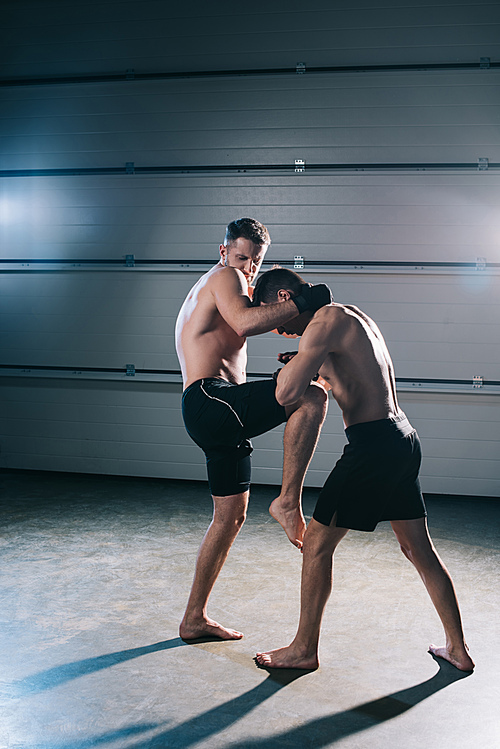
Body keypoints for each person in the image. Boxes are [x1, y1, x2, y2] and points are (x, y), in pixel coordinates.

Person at [253, 267, 474, 672]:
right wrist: (310, 362)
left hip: (373, 447)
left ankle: (303, 650)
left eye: (271, 317)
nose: (275, 329)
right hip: (402, 439)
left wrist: (297, 366)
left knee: (316, 545)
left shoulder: (323, 322)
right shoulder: (351, 316)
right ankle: (457, 649)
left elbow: (285, 393)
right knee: (417, 549)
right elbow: (355, 376)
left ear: (285, 297)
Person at [175, 219, 331, 641]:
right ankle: (287, 502)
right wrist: (304, 300)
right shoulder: (223, 277)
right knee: (311, 397)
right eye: (241, 257)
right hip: (211, 399)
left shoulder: (217, 286)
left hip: (214, 410)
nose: (247, 268)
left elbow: (247, 323)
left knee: (230, 517)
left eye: (255, 262)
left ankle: (194, 618)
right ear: (223, 251)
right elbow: (245, 324)